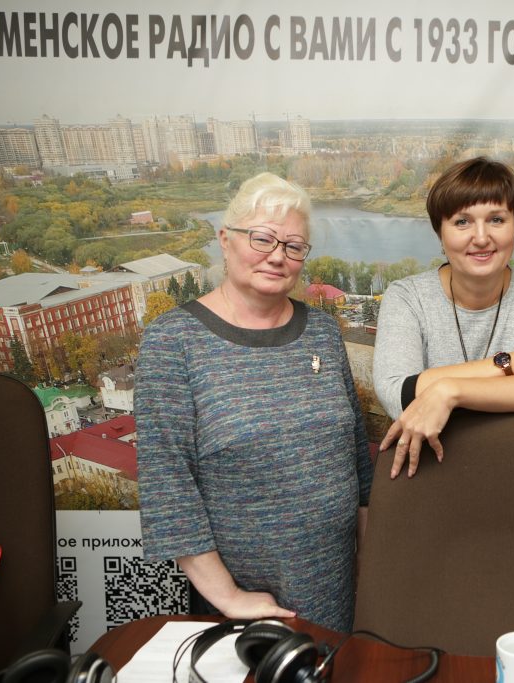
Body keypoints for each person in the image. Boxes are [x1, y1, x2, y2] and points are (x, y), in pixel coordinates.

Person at [136, 172, 373, 632]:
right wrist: (228, 597)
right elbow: (168, 484)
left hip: (336, 586)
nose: (277, 256)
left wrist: (368, 565)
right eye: (262, 239)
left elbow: (356, 460)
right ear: (225, 240)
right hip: (243, 601)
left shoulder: (323, 331)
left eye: (293, 246)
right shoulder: (173, 341)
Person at [373, 157, 514, 478]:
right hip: (429, 476)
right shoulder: (407, 297)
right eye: (462, 222)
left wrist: (448, 391)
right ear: (440, 234)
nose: (481, 238)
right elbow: (397, 393)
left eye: (496, 219)